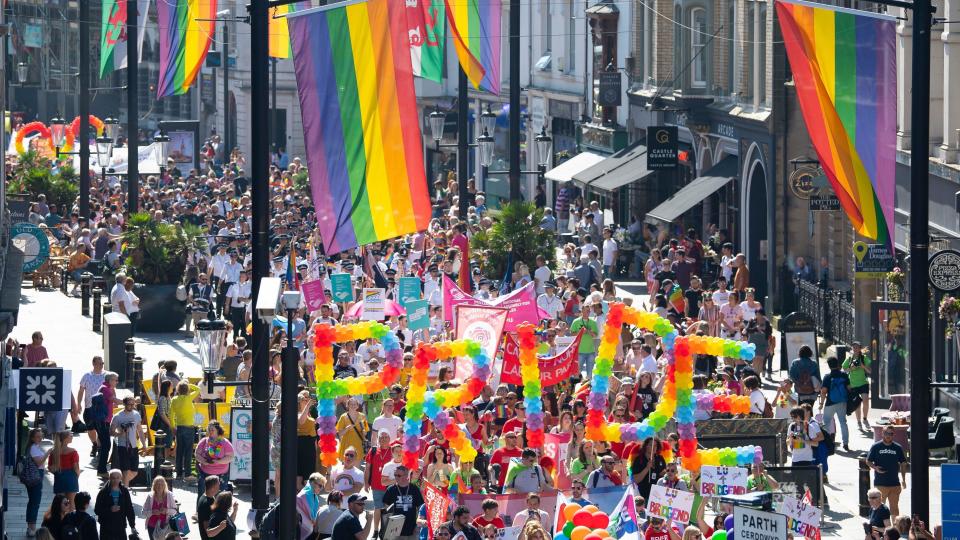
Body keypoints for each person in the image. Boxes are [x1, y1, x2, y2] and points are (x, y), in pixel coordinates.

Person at [866, 427, 908, 517]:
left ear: (893, 435)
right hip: (880, 483)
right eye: (886, 433)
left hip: (894, 484)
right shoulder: (876, 446)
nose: (888, 436)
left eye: (891, 434)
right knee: (879, 508)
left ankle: (894, 529)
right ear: (882, 433)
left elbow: (903, 463)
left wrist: (903, 479)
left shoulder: (897, 447)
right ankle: (878, 527)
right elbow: (868, 461)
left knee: (894, 509)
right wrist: (875, 467)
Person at [110, 396, 146, 486]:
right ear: (124, 404)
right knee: (125, 471)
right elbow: (111, 431)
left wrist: (144, 445)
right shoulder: (117, 416)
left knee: (134, 471)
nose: (131, 406)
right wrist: (119, 434)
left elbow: (140, 430)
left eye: (133, 404)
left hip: (134, 446)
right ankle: (125, 490)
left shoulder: (136, 414)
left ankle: (120, 484)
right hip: (122, 446)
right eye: (129, 404)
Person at [382, 465, 425, 540]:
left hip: (411, 527)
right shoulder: (391, 489)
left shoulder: (414, 489)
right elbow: (386, 508)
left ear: (406, 475)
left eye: (398, 475)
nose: (396, 477)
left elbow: (420, 507)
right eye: (395, 475)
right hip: (395, 528)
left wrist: (418, 525)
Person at [818, 356, 851, 451]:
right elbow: (849, 388)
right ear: (838, 364)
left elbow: (823, 391)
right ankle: (845, 443)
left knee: (826, 422)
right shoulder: (844, 375)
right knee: (843, 422)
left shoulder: (827, 377)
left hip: (830, 403)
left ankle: (828, 443)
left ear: (829, 366)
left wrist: (821, 403)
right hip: (842, 402)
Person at [195, 421, 235, 496]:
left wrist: (219, 461)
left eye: (212, 430)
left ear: (218, 431)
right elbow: (197, 454)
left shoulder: (224, 442)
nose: (210, 431)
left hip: (221, 474)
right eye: (209, 429)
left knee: (220, 496)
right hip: (204, 473)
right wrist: (203, 461)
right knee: (202, 495)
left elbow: (230, 457)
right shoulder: (204, 441)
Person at [172, 381, 201, 481]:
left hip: (179, 427)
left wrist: (173, 427)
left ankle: (179, 473)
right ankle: (187, 474)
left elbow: (171, 415)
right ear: (187, 389)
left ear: (178, 390)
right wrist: (189, 384)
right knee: (188, 451)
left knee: (179, 451)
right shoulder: (189, 398)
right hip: (189, 427)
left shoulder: (174, 399)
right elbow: (198, 389)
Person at [94, 469, 136, 539]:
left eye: (117, 478)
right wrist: (109, 509)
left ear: (121, 478)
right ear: (109, 478)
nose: (115, 480)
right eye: (113, 478)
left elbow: (129, 509)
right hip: (106, 528)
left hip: (120, 527)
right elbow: (97, 510)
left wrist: (132, 526)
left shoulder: (124, 491)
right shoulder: (103, 492)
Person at [77, 356, 105, 458]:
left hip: (102, 408)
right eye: (99, 363)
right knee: (90, 428)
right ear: (93, 364)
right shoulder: (87, 376)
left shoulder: (106, 375)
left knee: (101, 429)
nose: (101, 365)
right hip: (89, 406)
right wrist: (78, 404)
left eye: (102, 363)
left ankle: (100, 447)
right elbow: (81, 391)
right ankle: (95, 444)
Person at [25, 428, 49, 536]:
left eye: (41, 436)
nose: (40, 438)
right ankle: (32, 528)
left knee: (32, 502)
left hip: (35, 476)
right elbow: (39, 463)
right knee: (35, 502)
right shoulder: (33, 448)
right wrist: (47, 453)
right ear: (32, 438)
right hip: (35, 477)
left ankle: (30, 526)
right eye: (37, 437)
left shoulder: (34, 447)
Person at [843, 341, 873, 429]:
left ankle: (865, 419)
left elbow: (870, 371)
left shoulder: (864, 358)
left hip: (863, 383)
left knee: (866, 401)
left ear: (860, 348)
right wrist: (851, 368)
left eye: (857, 347)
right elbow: (844, 370)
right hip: (853, 384)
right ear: (852, 348)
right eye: (854, 347)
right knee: (857, 404)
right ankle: (859, 422)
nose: (855, 349)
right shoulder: (849, 358)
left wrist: (863, 367)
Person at [48, 431, 80, 504]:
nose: (72, 437)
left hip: (59, 476)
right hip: (71, 476)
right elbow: (75, 467)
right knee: (71, 503)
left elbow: (50, 467)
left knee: (59, 503)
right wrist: (77, 475)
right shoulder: (73, 451)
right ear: (65, 439)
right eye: (70, 436)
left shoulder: (54, 451)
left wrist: (57, 473)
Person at [298, 473, 326, 540]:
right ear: (312, 483)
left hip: (309, 529)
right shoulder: (304, 495)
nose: (321, 488)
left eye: (322, 486)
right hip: (302, 529)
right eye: (320, 486)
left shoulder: (314, 496)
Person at [197, 475, 221, 540]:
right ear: (213, 487)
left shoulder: (205, 496)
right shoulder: (206, 503)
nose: (219, 487)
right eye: (218, 485)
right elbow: (207, 529)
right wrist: (221, 527)